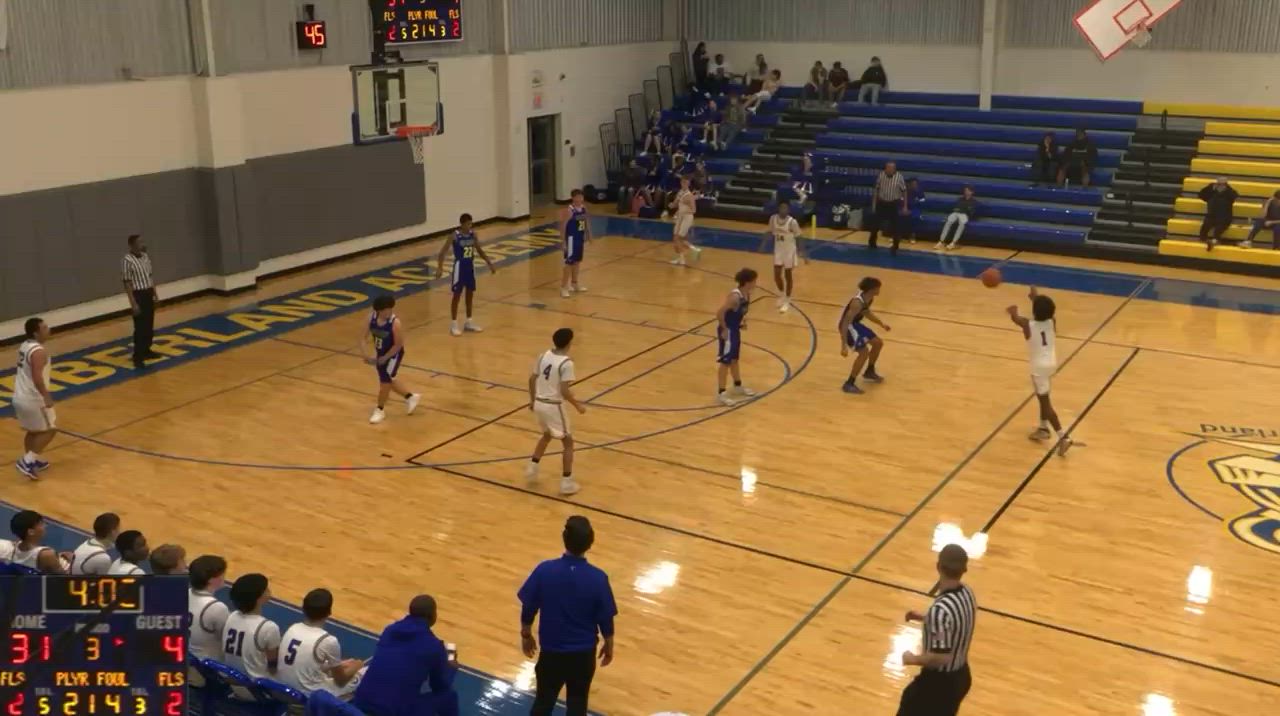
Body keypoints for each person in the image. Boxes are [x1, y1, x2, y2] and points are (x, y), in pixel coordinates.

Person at [518, 516, 617, 716]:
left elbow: (529, 607)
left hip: (552, 654)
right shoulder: (598, 578)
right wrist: (609, 644)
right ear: (591, 542)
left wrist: (526, 635)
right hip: (582, 656)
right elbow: (605, 618)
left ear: (564, 538)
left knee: (543, 703)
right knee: (577, 707)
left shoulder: (545, 570)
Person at [896, 544, 977, 716]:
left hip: (938, 685)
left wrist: (912, 659)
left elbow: (941, 657)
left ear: (938, 566)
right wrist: (925, 618)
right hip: (961, 677)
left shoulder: (940, 611)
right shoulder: (967, 593)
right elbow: (955, 621)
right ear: (964, 569)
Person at [352, 595, 459, 716]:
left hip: (360, 703)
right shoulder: (434, 646)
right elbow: (440, 686)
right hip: (393, 712)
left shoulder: (390, 630)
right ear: (433, 616)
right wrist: (451, 666)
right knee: (449, 696)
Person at [1007, 287, 1073, 456]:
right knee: (1043, 397)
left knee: (1045, 402)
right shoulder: (1052, 322)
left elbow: (1016, 318)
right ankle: (1043, 428)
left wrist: (1012, 311)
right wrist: (1034, 297)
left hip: (1039, 368)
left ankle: (1063, 437)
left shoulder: (1028, 325)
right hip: (1051, 364)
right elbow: (1041, 311)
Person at [525, 328, 587, 497]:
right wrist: (578, 405)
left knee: (546, 435)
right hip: (553, 406)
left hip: (539, 402)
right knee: (568, 442)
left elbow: (532, 379)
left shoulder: (543, 355)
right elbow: (565, 391)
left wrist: (532, 401)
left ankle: (533, 467)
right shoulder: (567, 364)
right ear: (569, 343)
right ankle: (566, 482)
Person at [277, 588, 367, 698]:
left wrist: (338, 665)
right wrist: (357, 666)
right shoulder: (328, 640)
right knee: (361, 676)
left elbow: (303, 661)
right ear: (329, 612)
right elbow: (340, 681)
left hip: (282, 690)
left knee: (328, 672)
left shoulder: (293, 628)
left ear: (303, 609)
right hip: (307, 696)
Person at [359, 294, 420, 424]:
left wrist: (386, 357)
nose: (388, 312)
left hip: (393, 355)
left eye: (390, 309)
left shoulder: (395, 322)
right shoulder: (371, 318)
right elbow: (363, 339)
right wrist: (365, 354)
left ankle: (380, 409)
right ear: (378, 310)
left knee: (385, 383)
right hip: (381, 354)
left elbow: (398, 344)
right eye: (385, 310)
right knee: (389, 380)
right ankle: (410, 397)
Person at [436, 213, 497, 337]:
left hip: (470, 267)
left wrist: (489, 263)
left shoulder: (473, 235)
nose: (470, 226)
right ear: (462, 224)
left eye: (471, 223)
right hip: (459, 267)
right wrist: (440, 268)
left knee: (470, 295)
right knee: (457, 296)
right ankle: (453, 324)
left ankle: (469, 321)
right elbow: (442, 253)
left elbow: (479, 250)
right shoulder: (454, 236)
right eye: (468, 224)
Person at [13, 317, 57, 480]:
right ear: (36, 332)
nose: (48, 329)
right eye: (44, 328)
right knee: (50, 430)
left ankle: (31, 460)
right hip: (33, 398)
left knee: (33, 431)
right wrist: (46, 396)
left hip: (20, 396)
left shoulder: (25, 346)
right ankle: (27, 461)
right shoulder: (39, 351)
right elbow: (37, 377)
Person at [222, 573, 282, 685]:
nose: (268, 590)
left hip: (232, 680)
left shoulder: (232, 616)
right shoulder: (268, 627)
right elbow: (273, 665)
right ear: (258, 598)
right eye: (266, 589)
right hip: (255, 686)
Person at [838, 277, 891, 394]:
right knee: (864, 352)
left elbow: (867, 313)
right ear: (872, 289)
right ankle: (849, 383)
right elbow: (845, 323)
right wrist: (843, 346)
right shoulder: (857, 303)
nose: (879, 290)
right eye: (878, 288)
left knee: (878, 343)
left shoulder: (869, 298)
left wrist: (882, 324)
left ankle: (869, 371)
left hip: (855, 324)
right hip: (848, 327)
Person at [716, 268, 759, 406]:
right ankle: (721, 393)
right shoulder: (735, 297)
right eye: (754, 281)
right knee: (725, 362)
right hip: (728, 331)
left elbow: (739, 312)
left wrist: (742, 321)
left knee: (734, 359)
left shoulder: (746, 294)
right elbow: (720, 313)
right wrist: (724, 329)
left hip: (735, 329)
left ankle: (737, 385)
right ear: (747, 282)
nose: (756, 284)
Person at [759, 202, 805, 313]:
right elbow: (769, 232)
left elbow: (799, 237)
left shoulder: (792, 222)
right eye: (782, 207)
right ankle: (782, 295)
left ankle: (787, 301)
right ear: (778, 208)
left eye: (786, 208)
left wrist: (802, 251)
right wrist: (763, 245)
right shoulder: (773, 219)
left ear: (788, 210)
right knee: (776, 276)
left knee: (788, 276)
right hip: (779, 250)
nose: (783, 209)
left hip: (790, 251)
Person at [122, 234, 160, 370]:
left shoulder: (145, 257)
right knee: (140, 327)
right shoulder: (127, 260)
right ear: (132, 245)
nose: (142, 244)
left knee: (149, 324)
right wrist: (133, 303)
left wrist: (155, 294)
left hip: (148, 292)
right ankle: (137, 356)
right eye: (139, 242)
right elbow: (127, 283)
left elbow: (150, 277)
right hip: (138, 294)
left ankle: (147, 350)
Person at [188, 555, 232, 663]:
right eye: (222, 574)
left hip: (187, 655)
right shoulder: (216, 608)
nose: (224, 577)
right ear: (211, 580)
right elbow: (227, 640)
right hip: (207, 665)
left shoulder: (185, 593)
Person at [560, 189, 592, 298]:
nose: (579, 199)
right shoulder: (570, 210)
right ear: (573, 198)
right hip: (571, 240)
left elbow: (585, 221)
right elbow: (563, 226)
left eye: (581, 197)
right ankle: (564, 287)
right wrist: (563, 242)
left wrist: (589, 234)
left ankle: (575, 284)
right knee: (569, 264)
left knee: (577, 262)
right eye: (577, 197)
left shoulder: (583, 208)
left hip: (579, 239)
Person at [868, 161, 907, 250]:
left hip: (893, 204)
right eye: (888, 168)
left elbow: (904, 191)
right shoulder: (881, 175)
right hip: (882, 203)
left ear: (894, 169)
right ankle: (872, 242)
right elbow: (876, 190)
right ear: (885, 168)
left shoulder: (899, 177)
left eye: (892, 168)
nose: (889, 170)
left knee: (895, 226)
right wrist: (874, 205)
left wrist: (905, 206)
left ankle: (895, 245)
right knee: (875, 225)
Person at [670, 175, 704, 266]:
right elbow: (676, 204)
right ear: (681, 183)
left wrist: (684, 210)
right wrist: (672, 206)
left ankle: (682, 260)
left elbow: (694, 210)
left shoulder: (689, 196)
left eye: (686, 183)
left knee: (679, 238)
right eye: (683, 182)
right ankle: (694, 250)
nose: (684, 184)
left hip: (687, 217)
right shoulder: (680, 193)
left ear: (688, 184)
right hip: (680, 217)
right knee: (676, 238)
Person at [1197, 177, 1238, 251]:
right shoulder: (1211, 190)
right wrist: (1211, 189)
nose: (1220, 186)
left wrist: (1226, 189)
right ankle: (1206, 241)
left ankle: (1214, 241)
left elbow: (1234, 197)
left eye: (1223, 184)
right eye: (1219, 184)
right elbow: (1201, 195)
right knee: (1204, 228)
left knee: (1218, 230)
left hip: (1224, 217)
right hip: (1211, 216)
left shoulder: (1230, 191)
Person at [935, 186, 979, 250]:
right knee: (948, 222)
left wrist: (968, 212)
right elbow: (955, 208)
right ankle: (941, 241)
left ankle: (953, 243)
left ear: (972, 192)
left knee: (962, 224)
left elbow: (972, 212)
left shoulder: (974, 202)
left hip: (964, 215)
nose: (966, 192)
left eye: (968, 190)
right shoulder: (960, 199)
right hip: (956, 213)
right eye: (965, 190)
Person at [903, 178, 926, 245]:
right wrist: (905, 209)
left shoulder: (920, 191)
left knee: (915, 217)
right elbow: (902, 201)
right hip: (906, 208)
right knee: (899, 215)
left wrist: (917, 201)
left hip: (916, 208)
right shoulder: (906, 191)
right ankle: (896, 235)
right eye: (912, 184)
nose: (914, 185)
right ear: (910, 185)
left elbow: (923, 201)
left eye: (915, 184)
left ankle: (912, 236)